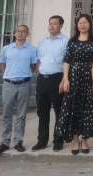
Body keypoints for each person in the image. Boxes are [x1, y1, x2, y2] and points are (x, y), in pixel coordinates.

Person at [55, 14, 93, 155]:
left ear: (90, 24)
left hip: (90, 78)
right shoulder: (72, 41)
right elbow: (67, 60)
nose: (82, 25)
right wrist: (65, 79)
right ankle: (75, 140)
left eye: (85, 22)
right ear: (77, 25)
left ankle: (85, 140)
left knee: (88, 109)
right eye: (80, 22)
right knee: (73, 108)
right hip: (74, 78)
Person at [0, 25, 38, 155]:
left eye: (23, 31)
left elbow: (33, 65)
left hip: (24, 84)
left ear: (28, 34)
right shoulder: (6, 49)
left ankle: (18, 141)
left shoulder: (32, 49)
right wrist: (7, 76)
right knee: (7, 114)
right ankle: (5, 142)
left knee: (21, 114)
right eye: (18, 31)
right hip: (9, 84)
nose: (20, 33)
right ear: (14, 33)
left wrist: (25, 75)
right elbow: (3, 64)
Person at [32, 15, 70, 152]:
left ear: (61, 26)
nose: (52, 26)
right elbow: (38, 60)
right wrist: (38, 74)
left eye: (55, 23)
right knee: (42, 111)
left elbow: (67, 62)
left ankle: (58, 141)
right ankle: (42, 141)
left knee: (59, 111)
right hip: (42, 79)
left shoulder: (66, 41)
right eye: (50, 23)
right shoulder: (42, 41)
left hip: (57, 79)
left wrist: (64, 80)